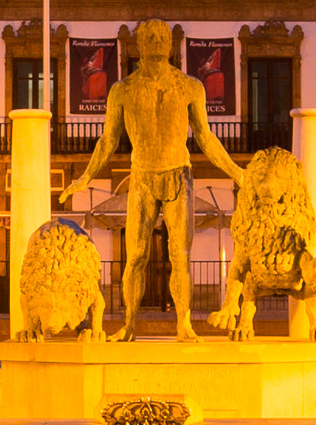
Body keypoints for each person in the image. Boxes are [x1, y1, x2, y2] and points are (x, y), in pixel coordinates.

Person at [68, 18, 241, 337]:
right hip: (142, 176)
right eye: (151, 36)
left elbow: (205, 137)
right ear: (140, 44)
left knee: (180, 256)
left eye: (163, 36)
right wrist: (85, 177)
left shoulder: (190, 86)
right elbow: (107, 140)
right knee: (135, 256)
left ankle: (184, 323)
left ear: (171, 44)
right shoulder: (123, 90)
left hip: (178, 174)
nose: (158, 41)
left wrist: (236, 171)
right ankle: (129, 324)